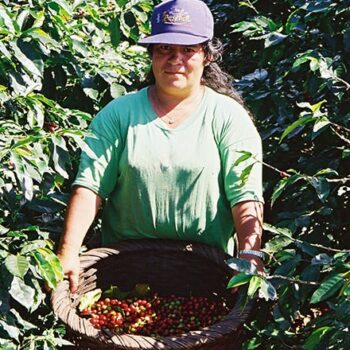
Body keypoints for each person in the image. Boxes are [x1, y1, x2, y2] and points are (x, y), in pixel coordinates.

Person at [57, 0, 264, 293]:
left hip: (207, 273)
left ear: (207, 55)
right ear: (152, 54)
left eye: (188, 50)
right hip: (123, 270)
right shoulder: (118, 114)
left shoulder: (228, 118)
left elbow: (246, 195)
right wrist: (68, 250)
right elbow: (90, 187)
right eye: (165, 48)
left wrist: (250, 255)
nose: (175, 59)